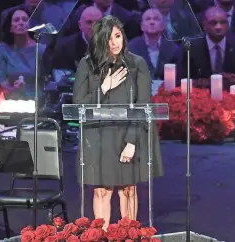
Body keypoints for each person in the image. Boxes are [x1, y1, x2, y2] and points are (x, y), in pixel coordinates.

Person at [73, 15, 163, 230]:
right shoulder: (87, 65)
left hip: (127, 135)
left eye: (117, 36)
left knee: (127, 189)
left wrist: (132, 142)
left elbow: (143, 106)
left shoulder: (137, 64)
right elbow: (78, 105)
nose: (114, 43)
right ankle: (101, 235)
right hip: (98, 137)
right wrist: (104, 87)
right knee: (102, 190)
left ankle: (129, 235)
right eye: (108, 38)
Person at [0, 6, 46, 98]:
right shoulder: (2, 49)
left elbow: (46, 82)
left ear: (30, 25)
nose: (21, 23)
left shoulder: (41, 50)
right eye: (16, 20)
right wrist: (15, 90)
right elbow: (1, 83)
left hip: (38, 101)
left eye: (25, 20)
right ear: (10, 28)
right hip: (11, 100)